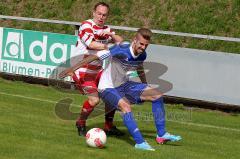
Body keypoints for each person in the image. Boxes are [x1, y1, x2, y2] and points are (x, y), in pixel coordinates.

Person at [60, 28, 182, 151]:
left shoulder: (143, 54)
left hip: (125, 85)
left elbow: (139, 68)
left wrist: (145, 86)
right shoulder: (121, 49)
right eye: (141, 44)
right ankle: (140, 143)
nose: (143, 47)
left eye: (146, 45)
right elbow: (94, 56)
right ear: (134, 41)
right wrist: (73, 69)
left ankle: (161, 135)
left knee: (157, 95)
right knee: (125, 106)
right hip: (107, 87)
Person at [71, 2, 124, 136]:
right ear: (93, 13)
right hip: (82, 69)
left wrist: (111, 35)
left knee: (113, 95)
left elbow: (120, 42)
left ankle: (108, 126)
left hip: (97, 70)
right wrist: (109, 47)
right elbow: (92, 44)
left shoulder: (106, 28)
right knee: (94, 100)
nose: (101, 17)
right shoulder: (86, 25)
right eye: (99, 14)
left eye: (104, 15)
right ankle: (81, 122)